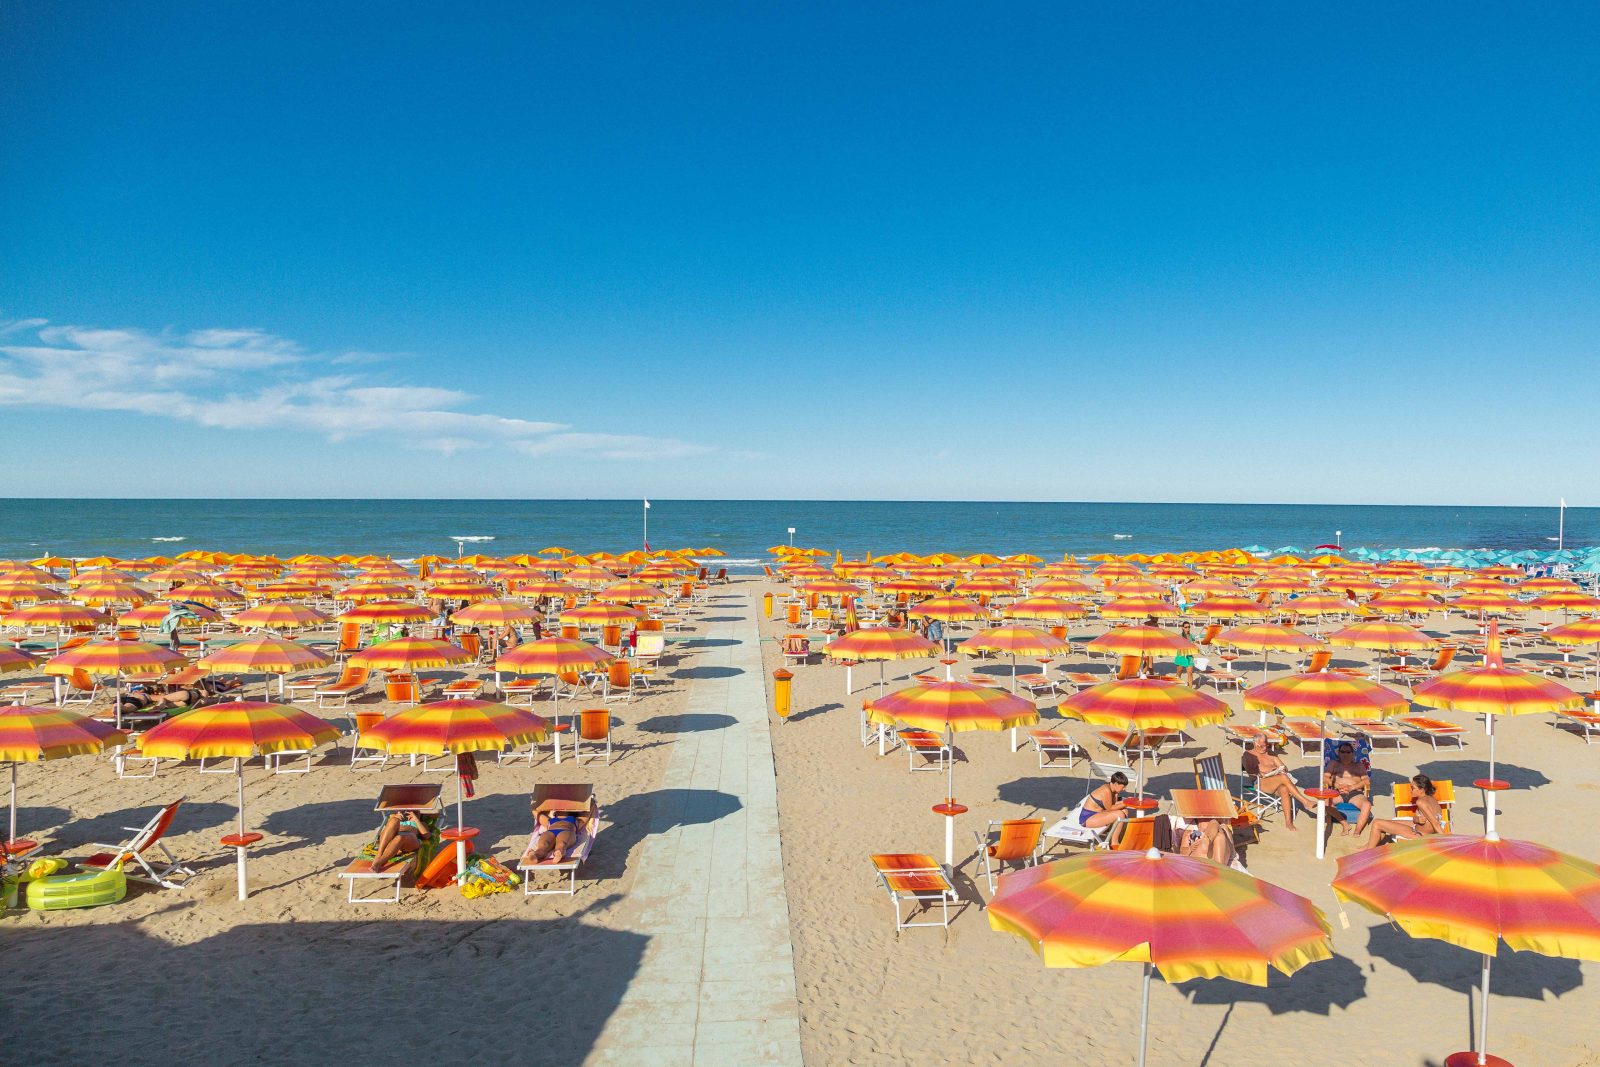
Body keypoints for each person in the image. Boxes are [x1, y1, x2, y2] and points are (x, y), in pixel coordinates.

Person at [1244, 734, 1315, 830]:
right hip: (1260, 782)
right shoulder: (1248, 754)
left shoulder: (1271, 754)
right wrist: (1265, 772)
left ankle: (1288, 822)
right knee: (1283, 777)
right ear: (1254, 743)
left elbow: (1284, 767)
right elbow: (1251, 772)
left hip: (1276, 780)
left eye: (1266, 745)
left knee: (1284, 789)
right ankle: (1304, 801)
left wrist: (1280, 769)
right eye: (1261, 746)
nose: (1264, 748)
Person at [1363, 774, 1446, 848]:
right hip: (1420, 828)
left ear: (1421, 790)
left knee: (1377, 823)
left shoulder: (1421, 802)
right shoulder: (1432, 799)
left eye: (1413, 788)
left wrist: (1446, 839)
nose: (1410, 790)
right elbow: (1426, 820)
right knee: (1388, 823)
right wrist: (1417, 819)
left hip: (1419, 834)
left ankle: (1368, 852)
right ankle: (1368, 846)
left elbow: (1435, 822)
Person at [1323, 742, 1373, 834]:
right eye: (1342, 752)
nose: (1345, 754)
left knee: (1367, 805)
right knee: (1324, 803)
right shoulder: (1333, 763)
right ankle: (1344, 823)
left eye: (1348, 752)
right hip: (1337, 792)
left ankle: (1357, 831)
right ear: (1338, 753)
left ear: (1353, 753)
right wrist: (1337, 785)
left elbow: (1366, 781)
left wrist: (1352, 787)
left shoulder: (1359, 765)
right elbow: (1325, 777)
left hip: (1355, 793)